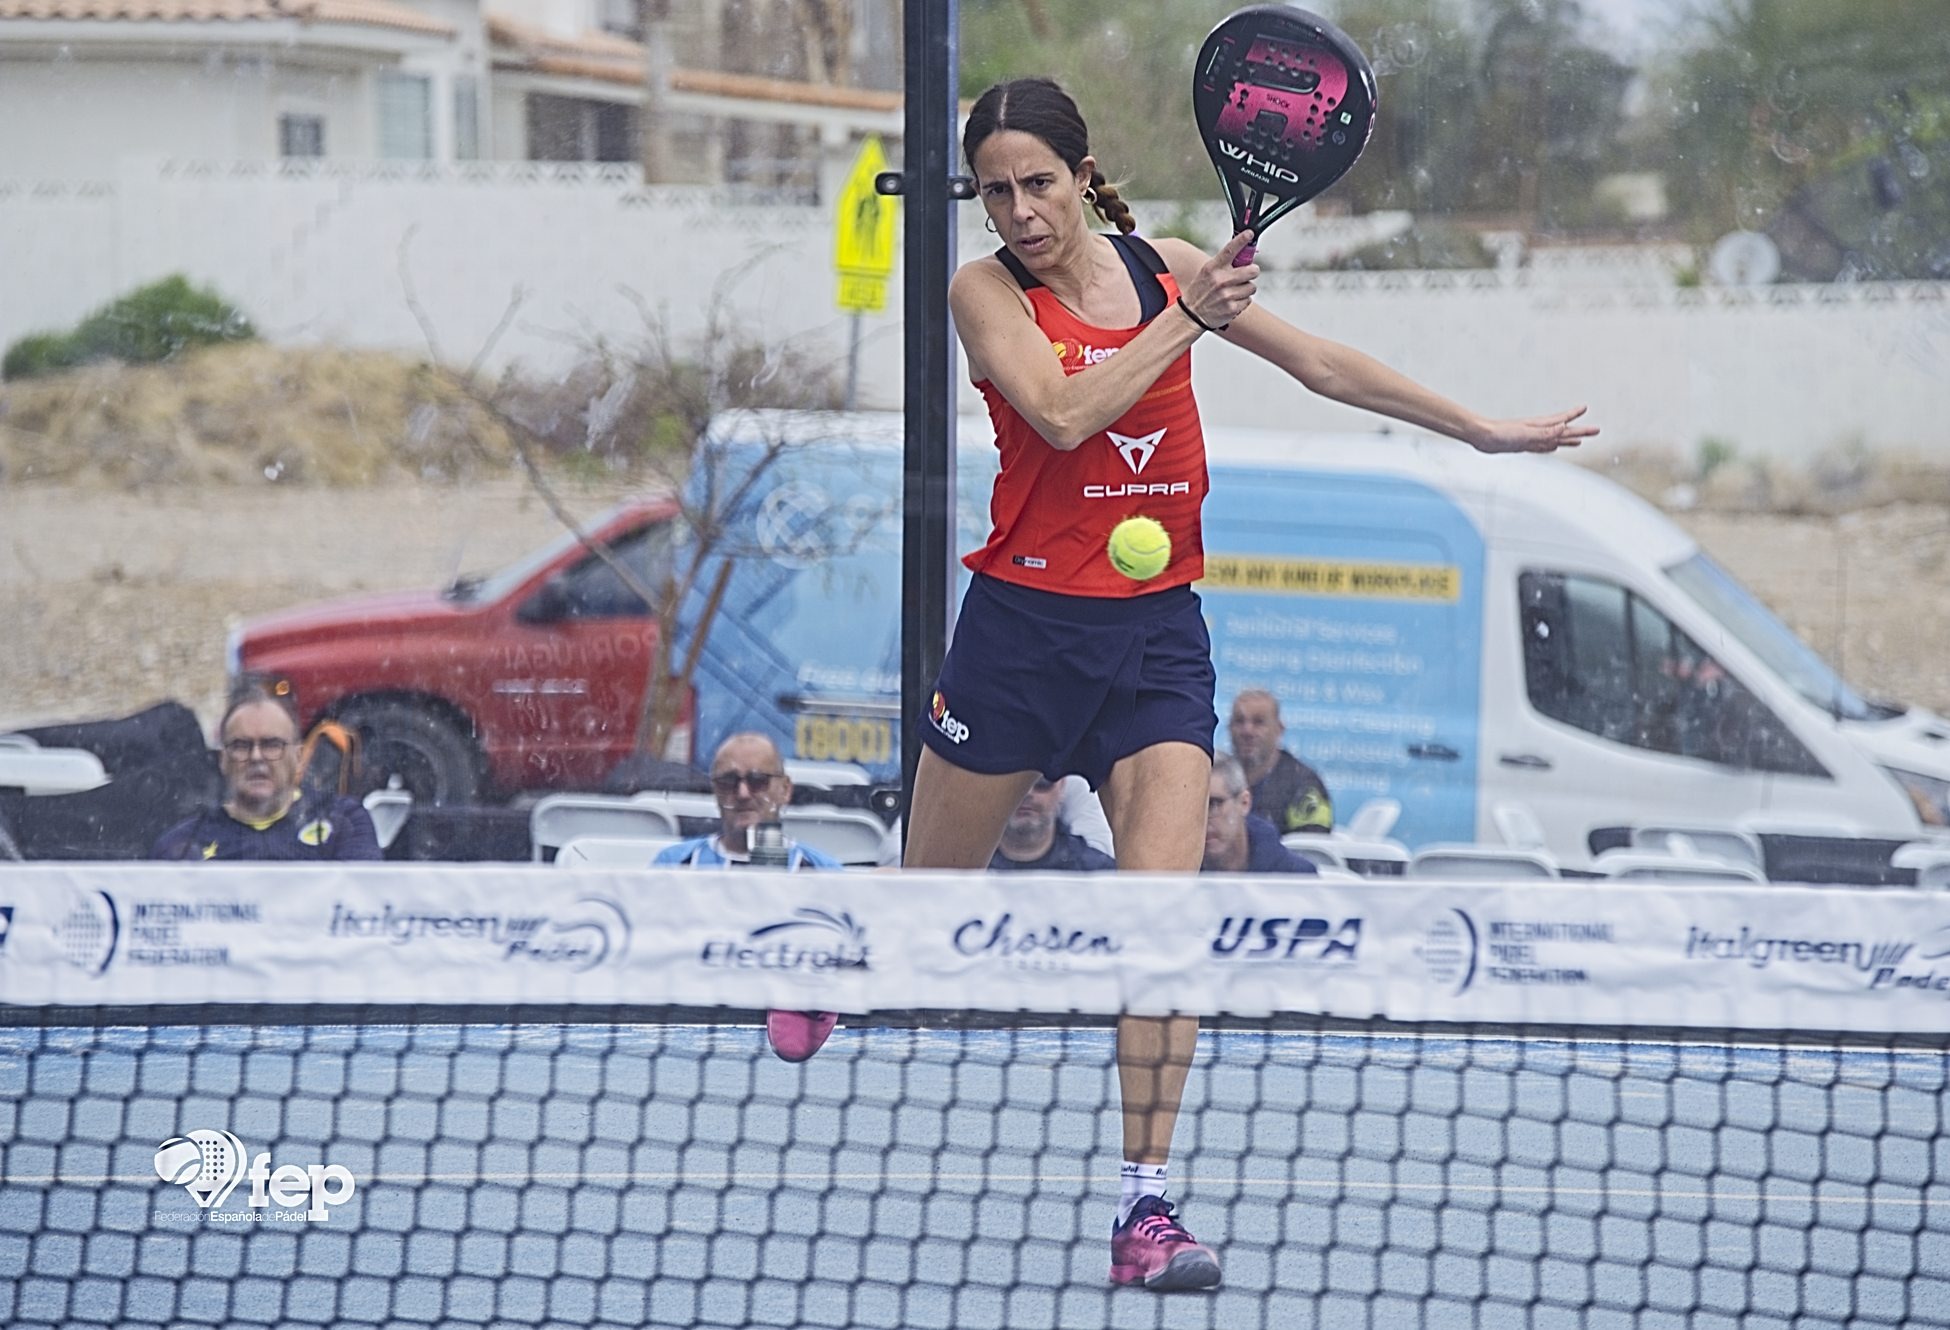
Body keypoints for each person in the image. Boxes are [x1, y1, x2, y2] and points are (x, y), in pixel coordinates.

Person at [836, 77, 1595, 1291]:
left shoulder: (1163, 264)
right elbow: (1064, 412)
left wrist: (1483, 431)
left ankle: (1146, 1210)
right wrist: (1188, 319)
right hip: (1021, 636)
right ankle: (843, 959)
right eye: (997, 190)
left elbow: (1323, 366)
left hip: (1155, 643)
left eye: (1040, 182)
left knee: (1163, 925)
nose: (1022, 211)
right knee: (920, 910)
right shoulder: (986, 291)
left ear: (1085, 176)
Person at [651, 732, 841, 1063]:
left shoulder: (824, 874)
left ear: (785, 789)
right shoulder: (671, 867)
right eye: (728, 781)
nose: (742, 793)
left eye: (757, 781)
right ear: (713, 789)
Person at [153, 680, 381, 861]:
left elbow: (366, 906)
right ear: (222, 760)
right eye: (241, 746)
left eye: (272, 745)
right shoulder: (181, 845)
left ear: (299, 756)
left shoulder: (344, 824)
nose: (256, 757)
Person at [1228, 689, 1334, 834]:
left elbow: (1312, 848)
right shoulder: (1218, 778)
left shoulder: (1304, 785)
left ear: (1279, 729)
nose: (1247, 731)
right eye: (1239, 721)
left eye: (1258, 722)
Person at [1201, 754, 1320, 874]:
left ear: (1244, 803)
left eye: (1213, 804)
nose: (1202, 818)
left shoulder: (1297, 877)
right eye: (1193, 808)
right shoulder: (1182, 873)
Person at [988, 776, 1118, 871]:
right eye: (1013, 786)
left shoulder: (1099, 874)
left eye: (1042, 783)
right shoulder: (970, 869)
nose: (1027, 793)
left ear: (1062, 787)